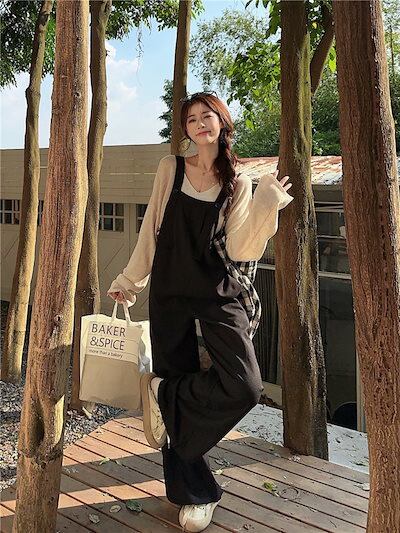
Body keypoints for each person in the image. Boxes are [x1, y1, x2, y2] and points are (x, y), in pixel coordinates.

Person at [108, 91, 294, 532]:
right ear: (186, 129)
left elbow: (241, 248)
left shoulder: (238, 182)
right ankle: (193, 494)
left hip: (218, 293)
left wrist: (267, 204)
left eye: (206, 115)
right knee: (179, 373)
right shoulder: (170, 168)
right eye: (190, 119)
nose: (199, 124)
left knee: (245, 385)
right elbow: (151, 229)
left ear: (221, 121)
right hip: (171, 292)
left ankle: (164, 395)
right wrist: (129, 281)